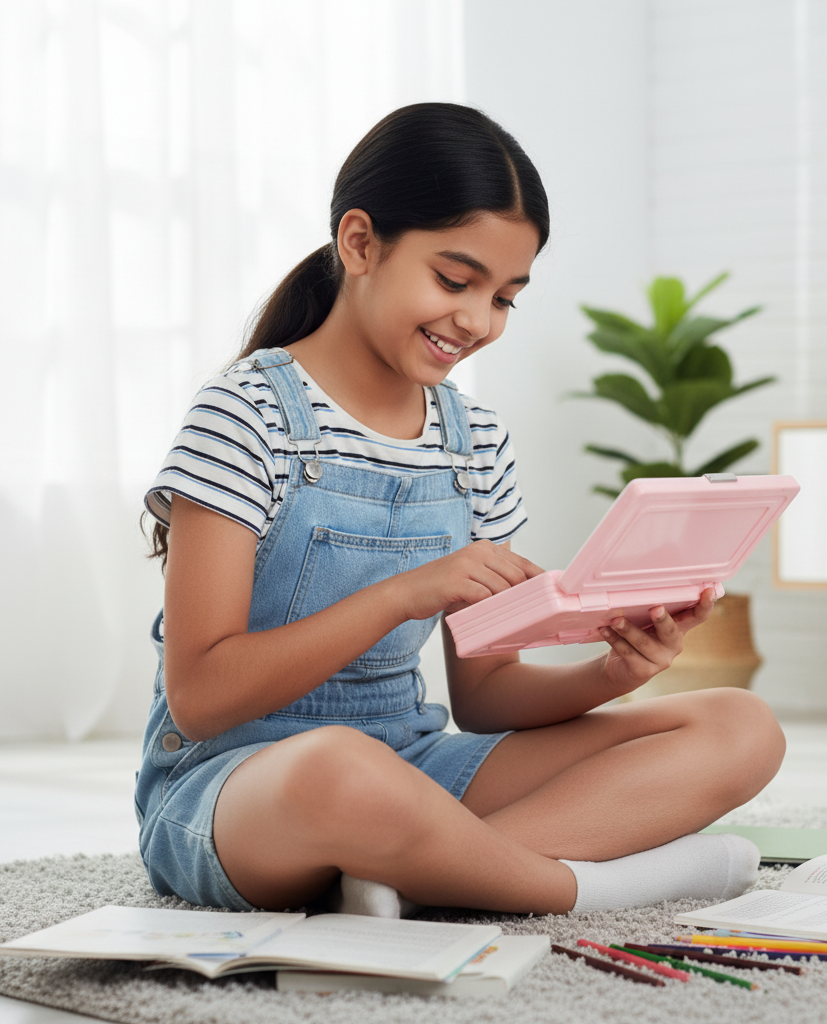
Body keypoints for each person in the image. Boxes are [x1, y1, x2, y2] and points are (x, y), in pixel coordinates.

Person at [135, 102, 785, 919]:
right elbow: (200, 694)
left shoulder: (474, 439)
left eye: (507, 297)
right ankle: (577, 888)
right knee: (338, 767)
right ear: (360, 242)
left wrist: (614, 672)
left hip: (412, 768)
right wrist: (405, 593)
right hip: (237, 789)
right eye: (455, 280)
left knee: (740, 725)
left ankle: (410, 876)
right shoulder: (246, 413)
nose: (478, 322)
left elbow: (485, 698)